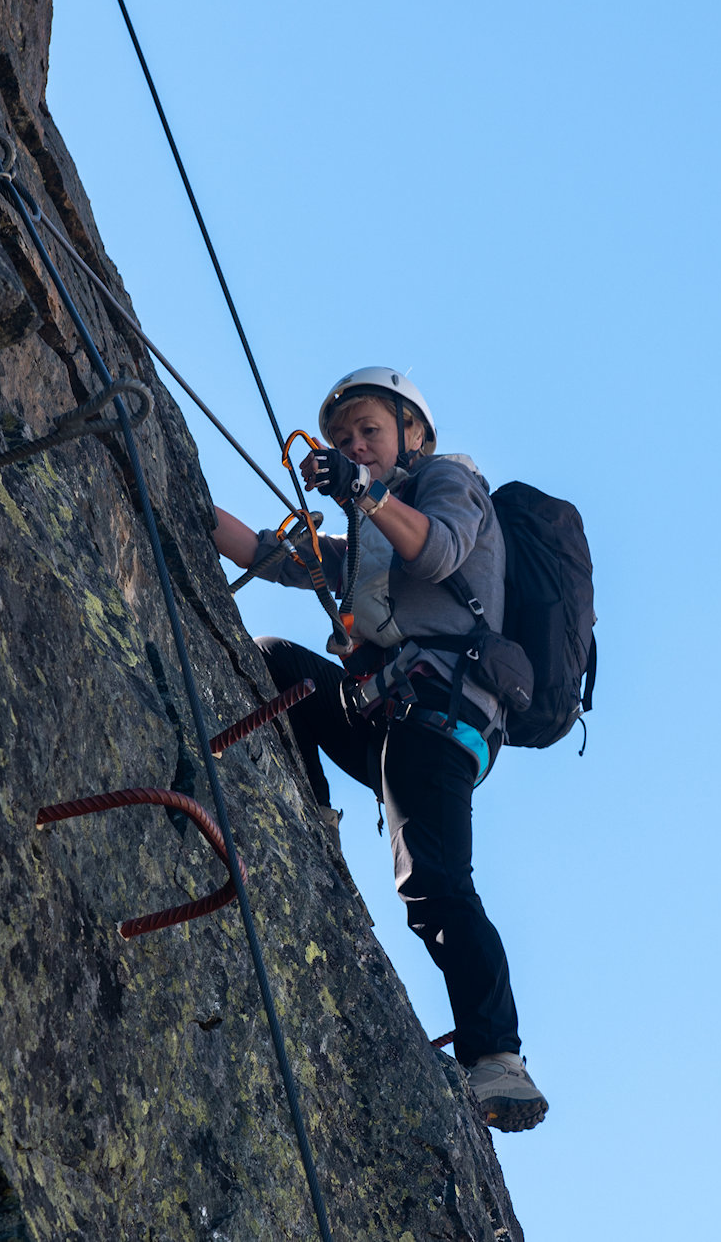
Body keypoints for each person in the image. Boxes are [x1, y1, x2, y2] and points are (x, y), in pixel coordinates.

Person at [210, 367, 549, 1133]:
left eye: (369, 430)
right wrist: (189, 506)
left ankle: (499, 1056)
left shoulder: (451, 484)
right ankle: (309, 822)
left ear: (414, 433)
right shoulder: (369, 536)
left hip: (439, 719)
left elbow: (437, 553)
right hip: (385, 721)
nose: (354, 444)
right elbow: (269, 554)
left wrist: (361, 491)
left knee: (433, 880)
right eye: (343, 438)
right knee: (275, 660)